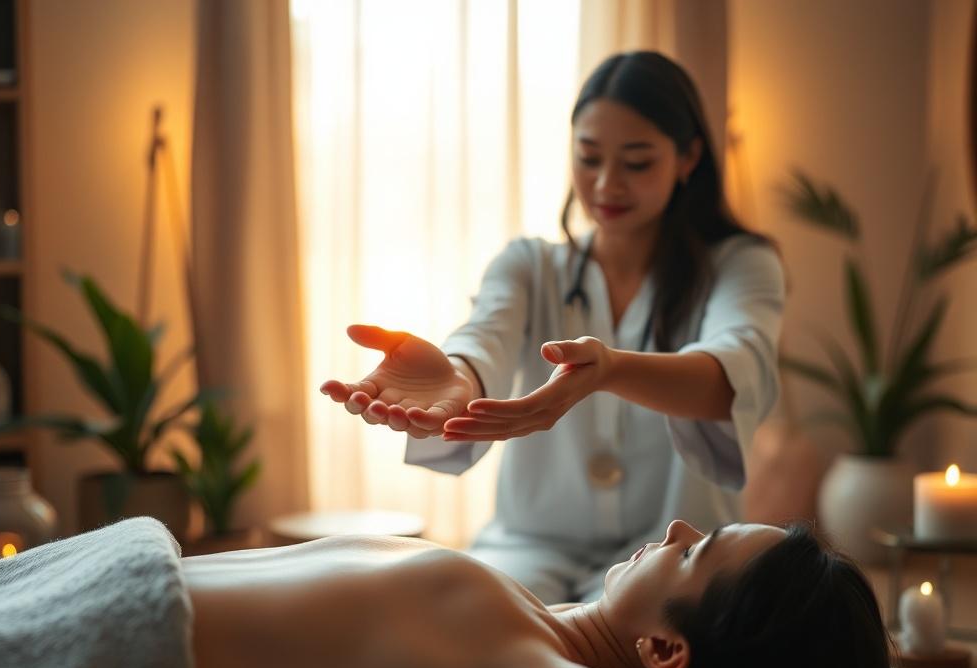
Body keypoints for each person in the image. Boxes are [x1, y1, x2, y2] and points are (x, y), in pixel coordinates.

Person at [320, 51, 785, 604]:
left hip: (672, 558)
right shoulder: (530, 266)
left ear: (688, 159)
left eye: (637, 163)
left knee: (649, 653)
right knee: (460, 617)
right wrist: (459, 376)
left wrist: (608, 370)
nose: (607, 183)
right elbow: (484, 337)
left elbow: (733, 375)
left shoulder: (742, 264)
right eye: (588, 158)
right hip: (528, 548)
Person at [185, 519, 895, 668]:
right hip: (112, 571)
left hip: (105, 650)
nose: (675, 529)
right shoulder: (534, 625)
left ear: (663, 651)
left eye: (692, 553)